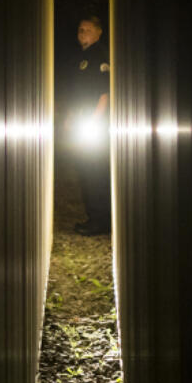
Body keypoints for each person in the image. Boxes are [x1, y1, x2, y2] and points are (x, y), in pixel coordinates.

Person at [70, 15, 111, 234]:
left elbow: (105, 93)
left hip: (94, 124)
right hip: (83, 121)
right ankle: (95, 217)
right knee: (86, 171)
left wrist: (95, 122)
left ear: (98, 32)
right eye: (80, 29)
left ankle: (100, 220)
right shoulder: (82, 57)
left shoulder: (100, 56)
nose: (82, 33)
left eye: (87, 29)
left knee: (95, 172)